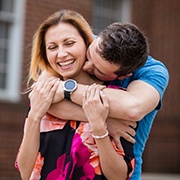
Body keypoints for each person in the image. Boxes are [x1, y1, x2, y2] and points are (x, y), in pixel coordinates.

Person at [41, 14, 169, 180]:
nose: (86, 66)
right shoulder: (87, 41)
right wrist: (103, 120)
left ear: (123, 76)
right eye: (89, 56)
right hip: (73, 166)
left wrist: (64, 89)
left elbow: (132, 109)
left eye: (98, 70)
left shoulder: (153, 73)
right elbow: (42, 97)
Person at [15, 9, 135, 180]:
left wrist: (99, 126)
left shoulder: (112, 98)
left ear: (87, 43)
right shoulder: (42, 95)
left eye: (69, 43)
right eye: (52, 47)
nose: (62, 53)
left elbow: (119, 176)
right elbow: (25, 172)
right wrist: (34, 116)